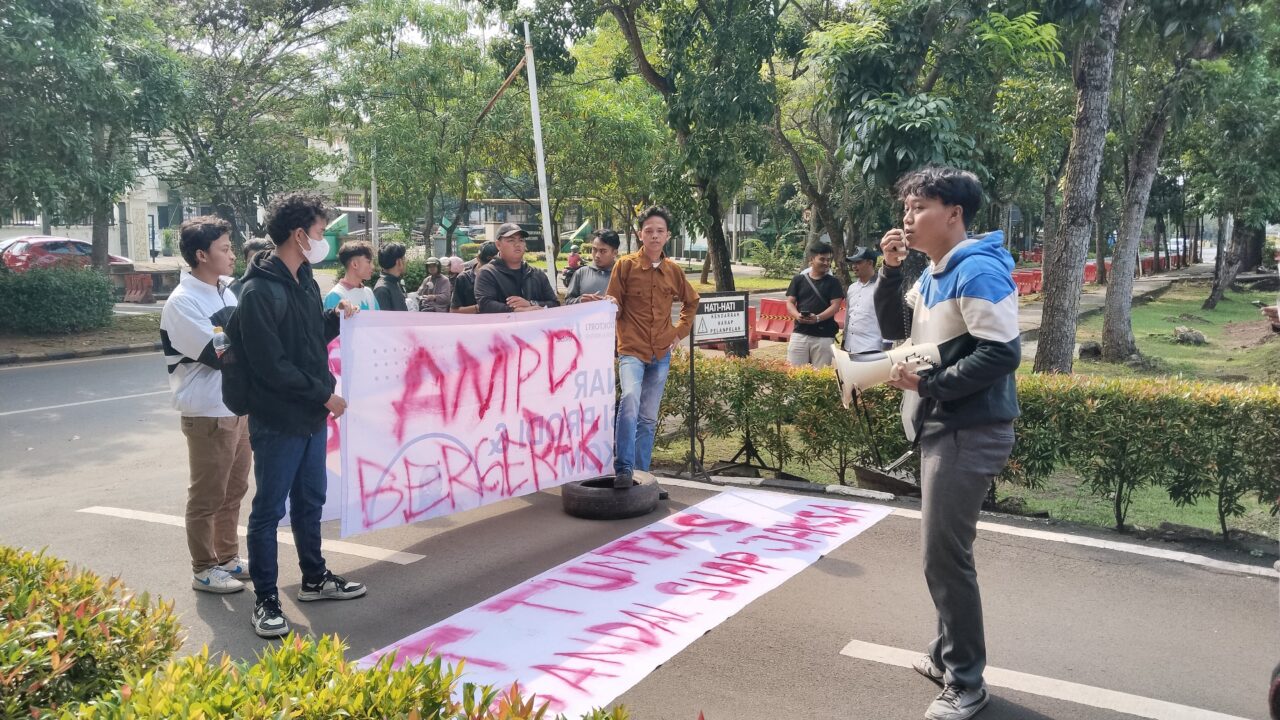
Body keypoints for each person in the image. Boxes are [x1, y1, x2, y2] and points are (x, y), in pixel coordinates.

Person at [873, 166, 1020, 720]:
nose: (907, 218)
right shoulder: (936, 271)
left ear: (954, 214)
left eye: (919, 208)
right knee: (944, 552)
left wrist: (932, 385)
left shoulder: (976, 268)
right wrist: (889, 272)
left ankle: (966, 683)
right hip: (943, 425)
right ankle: (944, 654)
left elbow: (1003, 352)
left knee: (944, 556)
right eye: (906, 209)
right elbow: (897, 326)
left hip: (969, 429)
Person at [234, 192, 366, 639]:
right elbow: (271, 366)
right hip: (278, 420)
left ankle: (314, 578)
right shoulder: (256, 292)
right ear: (298, 234)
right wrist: (325, 396)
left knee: (311, 502)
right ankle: (267, 600)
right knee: (269, 510)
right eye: (320, 230)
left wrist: (336, 317)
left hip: (310, 416)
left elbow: (308, 337)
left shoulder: (305, 278)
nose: (324, 238)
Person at [160, 216, 251, 594]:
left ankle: (227, 556)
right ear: (201, 255)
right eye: (225, 249)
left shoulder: (225, 290)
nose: (232, 256)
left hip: (235, 407)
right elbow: (220, 355)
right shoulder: (183, 303)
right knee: (207, 495)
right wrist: (257, 344)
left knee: (234, 489)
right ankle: (203, 567)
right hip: (206, 411)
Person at [605, 206, 699, 495]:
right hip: (631, 348)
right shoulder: (625, 266)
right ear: (640, 235)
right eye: (649, 231)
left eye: (660, 231)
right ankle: (623, 470)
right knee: (630, 400)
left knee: (647, 416)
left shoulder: (673, 271)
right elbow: (613, 302)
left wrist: (678, 332)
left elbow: (691, 302)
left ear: (668, 235)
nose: (654, 235)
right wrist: (604, 304)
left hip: (661, 352)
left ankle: (643, 478)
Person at [474, 222, 559, 313]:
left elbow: (554, 304)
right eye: (511, 240)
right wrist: (516, 310)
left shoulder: (537, 273)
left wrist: (531, 303)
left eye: (521, 240)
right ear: (498, 245)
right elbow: (485, 305)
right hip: (502, 326)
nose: (517, 244)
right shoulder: (487, 273)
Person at [784, 241, 844, 368]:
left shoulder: (834, 283)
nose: (826, 263)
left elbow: (835, 306)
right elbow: (790, 302)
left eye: (828, 260)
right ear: (811, 260)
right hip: (800, 334)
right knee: (794, 374)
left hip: (824, 337)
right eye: (822, 259)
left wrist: (817, 318)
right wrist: (797, 316)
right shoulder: (798, 280)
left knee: (820, 376)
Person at [842, 247, 886, 354]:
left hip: (871, 347)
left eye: (858, 262)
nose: (854, 266)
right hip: (850, 346)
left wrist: (887, 346)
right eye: (853, 263)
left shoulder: (882, 287)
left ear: (870, 263)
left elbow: (888, 318)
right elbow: (848, 316)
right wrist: (843, 342)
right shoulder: (852, 288)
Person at [565, 230, 620, 304]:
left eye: (603, 251)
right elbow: (568, 301)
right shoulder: (581, 273)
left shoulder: (622, 275)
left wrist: (616, 305)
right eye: (594, 250)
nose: (597, 255)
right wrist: (580, 300)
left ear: (615, 253)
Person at [324, 241, 379, 311]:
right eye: (368, 262)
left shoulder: (369, 293)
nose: (373, 266)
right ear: (354, 264)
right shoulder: (335, 295)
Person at [451, 241, 498, 314]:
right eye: (487, 263)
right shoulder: (463, 278)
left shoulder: (500, 277)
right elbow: (454, 310)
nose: (489, 269)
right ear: (478, 258)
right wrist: (479, 307)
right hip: (471, 323)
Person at [372, 242, 408, 311]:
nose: (406, 261)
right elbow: (384, 320)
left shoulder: (394, 282)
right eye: (404, 258)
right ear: (399, 262)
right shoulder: (382, 290)